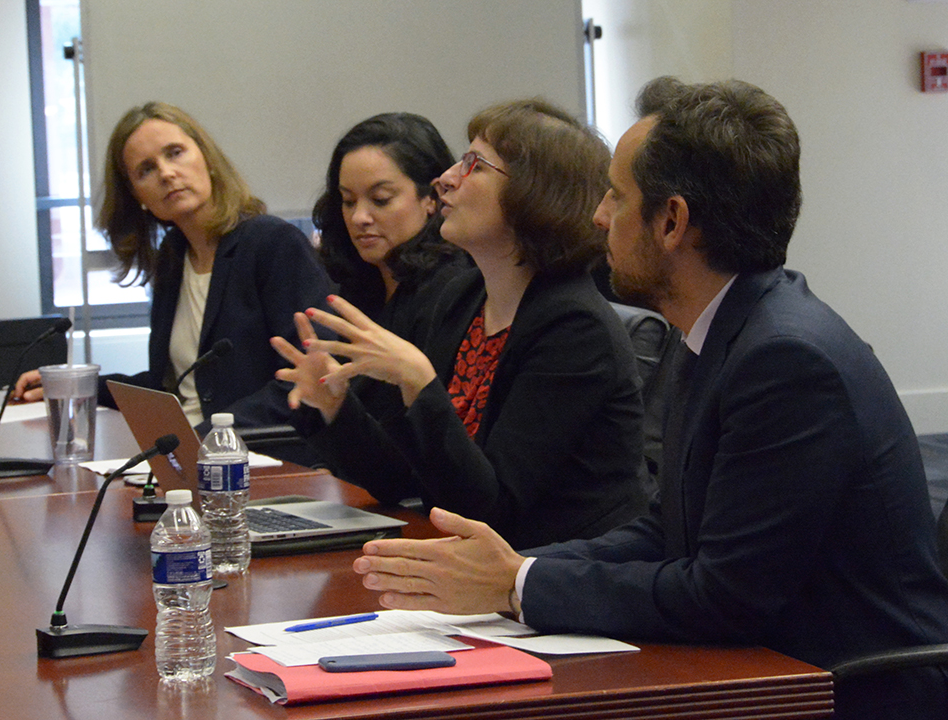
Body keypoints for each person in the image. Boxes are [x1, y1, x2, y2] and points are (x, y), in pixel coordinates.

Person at [350, 78, 948, 718]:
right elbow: (669, 531)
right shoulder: (726, 328)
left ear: (671, 222)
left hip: (842, 689)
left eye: (615, 195)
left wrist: (519, 584)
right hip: (764, 669)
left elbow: (725, 594)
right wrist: (510, 568)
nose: (599, 215)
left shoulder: (786, 360)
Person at [273, 99, 647, 550]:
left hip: (560, 582)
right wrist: (335, 407)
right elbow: (403, 480)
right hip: (478, 575)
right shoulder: (462, 299)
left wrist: (419, 382)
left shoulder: (574, 327)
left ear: (534, 194)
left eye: (474, 165)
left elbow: (491, 509)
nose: (446, 178)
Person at [14, 101, 332, 430]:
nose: (166, 173)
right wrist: (79, 384)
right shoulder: (172, 255)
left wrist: (206, 437)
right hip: (186, 454)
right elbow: (171, 385)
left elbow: (305, 381)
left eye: (175, 153)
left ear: (206, 159)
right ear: (137, 195)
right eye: (146, 169)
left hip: (262, 457)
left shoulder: (272, 244)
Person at [314, 112, 469, 348]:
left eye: (381, 199)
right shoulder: (358, 285)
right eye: (348, 201)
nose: (359, 218)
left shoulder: (453, 290)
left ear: (432, 198)